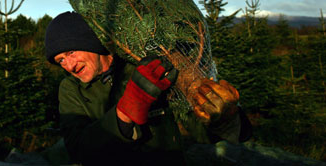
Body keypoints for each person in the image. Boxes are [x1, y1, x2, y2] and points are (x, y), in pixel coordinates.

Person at [44, 11, 252, 165]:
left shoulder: (145, 69)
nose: (69, 66)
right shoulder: (71, 89)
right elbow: (79, 150)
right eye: (60, 60)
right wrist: (125, 112)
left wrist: (224, 117)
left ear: (90, 42)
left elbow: (200, 132)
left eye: (71, 52)